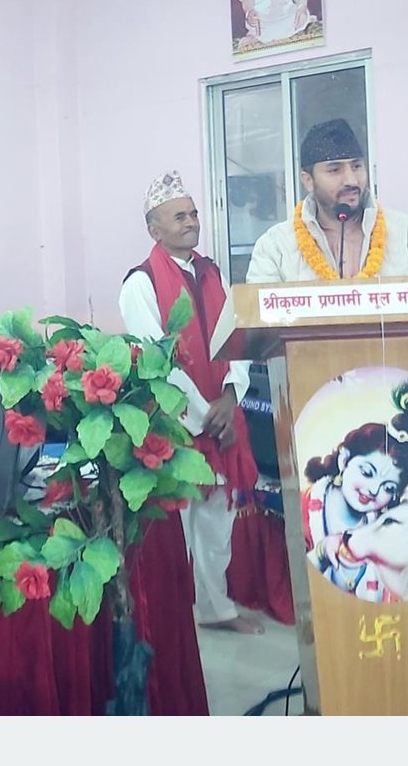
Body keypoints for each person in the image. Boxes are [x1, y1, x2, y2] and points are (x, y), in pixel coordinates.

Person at [120, 169, 264, 635]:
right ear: (154, 230)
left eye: (193, 213)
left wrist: (230, 396)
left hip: (223, 412)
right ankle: (174, 619)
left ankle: (215, 609)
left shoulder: (211, 273)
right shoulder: (140, 284)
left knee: (218, 522)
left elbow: (237, 339)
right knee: (178, 525)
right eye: (179, 216)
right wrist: (206, 415)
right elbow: (156, 360)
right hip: (178, 424)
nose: (191, 221)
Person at [247, 118, 408, 283]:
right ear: (308, 180)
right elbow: (257, 312)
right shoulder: (276, 246)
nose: (351, 180)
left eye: (356, 167)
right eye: (335, 170)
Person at [301, 382, 408, 601]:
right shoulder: (305, 506)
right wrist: (320, 553)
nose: (373, 490)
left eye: (388, 487)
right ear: (344, 460)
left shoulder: (384, 531)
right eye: (367, 472)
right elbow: (293, 581)